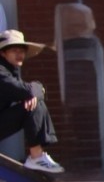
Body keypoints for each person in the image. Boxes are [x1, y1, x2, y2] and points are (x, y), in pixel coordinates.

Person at [0, 30, 65, 174]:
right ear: (3, 53)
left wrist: (34, 93)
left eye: (22, 51)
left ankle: (38, 157)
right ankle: (36, 158)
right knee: (33, 106)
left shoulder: (9, 71)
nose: (20, 54)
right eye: (14, 50)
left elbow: (27, 90)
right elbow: (24, 90)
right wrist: (36, 91)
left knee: (34, 103)